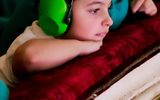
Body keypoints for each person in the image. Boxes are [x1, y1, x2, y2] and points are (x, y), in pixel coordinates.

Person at [0, 0, 158, 86]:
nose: (108, 21)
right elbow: (30, 57)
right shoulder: (37, 35)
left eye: (108, 9)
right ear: (60, 13)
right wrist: (82, 47)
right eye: (95, 10)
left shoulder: (80, 29)